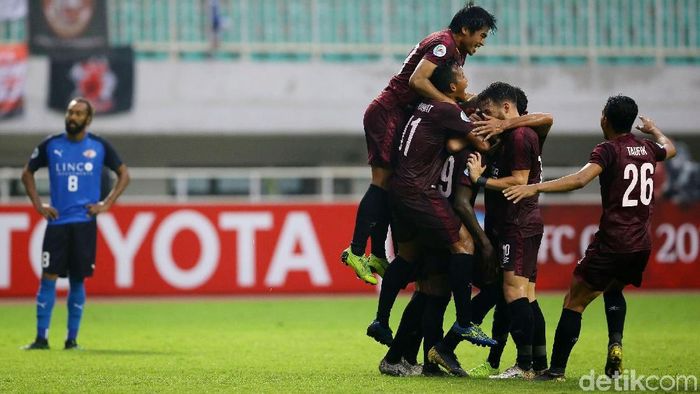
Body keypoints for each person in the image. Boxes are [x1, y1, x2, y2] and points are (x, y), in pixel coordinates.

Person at [503, 95, 676, 381]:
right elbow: (670, 148)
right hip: (641, 244)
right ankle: (615, 343)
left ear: (604, 119)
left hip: (612, 242)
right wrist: (654, 129)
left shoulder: (607, 150)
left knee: (574, 301)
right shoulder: (646, 147)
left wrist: (535, 188)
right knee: (614, 289)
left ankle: (556, 370)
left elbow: (579, 180)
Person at [341, 3, 497, 286]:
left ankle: (376, 253)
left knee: (390, 184)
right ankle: (354, 251)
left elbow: (447, 92)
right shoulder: (444, 44)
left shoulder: (455, 50)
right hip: (388, 112)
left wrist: (471, 102)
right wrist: (452, 105)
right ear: (465, 29)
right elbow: (417, 80)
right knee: (381, 181)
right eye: (482, 35)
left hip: (399, 114)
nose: (482, 42)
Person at [21, 98, 130, 350]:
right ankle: (41, 338)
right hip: (57, 223)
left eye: (79, 113)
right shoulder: (51, 144)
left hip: (84, 224)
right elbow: (27, 172)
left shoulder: (99, 146)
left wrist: (106, 203)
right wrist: (38, 205)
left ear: (88, 120)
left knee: (78, 280)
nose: (72, 117)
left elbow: (124, 174)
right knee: (47, 278)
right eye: (70, 112)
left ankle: (71, 340)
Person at [462, 82, 545, 379]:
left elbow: (519, 181)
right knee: (526, 294)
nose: (485, 118)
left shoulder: (521, 135)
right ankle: (540, 363)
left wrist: (479, 180)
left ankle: (524, 366)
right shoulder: (510, 135)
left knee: (513, 292)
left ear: (506, 108)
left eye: (488, 112)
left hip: (517, 225)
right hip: (515, 224)